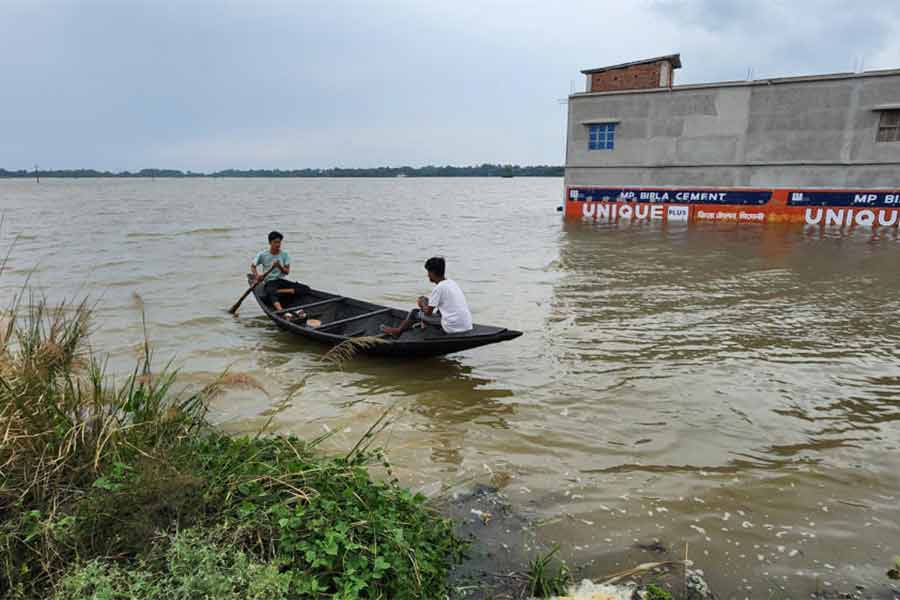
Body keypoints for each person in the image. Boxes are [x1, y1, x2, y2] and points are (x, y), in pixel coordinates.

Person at [381, 256, 473, 337]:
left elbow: (428, 313)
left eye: (428, 272)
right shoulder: (452, 283)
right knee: (434, 307)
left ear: (433, 272)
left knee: (415, 312)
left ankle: (397, 331)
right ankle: (424, 323)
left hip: (452, 327)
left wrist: (422, 303)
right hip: (466, 325)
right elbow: (443, 307)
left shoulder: (439, 288)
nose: (427, 275)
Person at [250, 231, 297, 314]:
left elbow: (287, 272)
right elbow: (253, 266)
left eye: (279, 242)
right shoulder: (263, 254)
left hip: (281, 281)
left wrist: (279, 266)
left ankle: (282, 291)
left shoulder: (284, 254)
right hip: (270, 282)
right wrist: (257, 276)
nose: (278, 245)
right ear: (270, 243)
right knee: (271, 293)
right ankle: (281, 311)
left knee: (304, 289)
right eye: (275, 242)